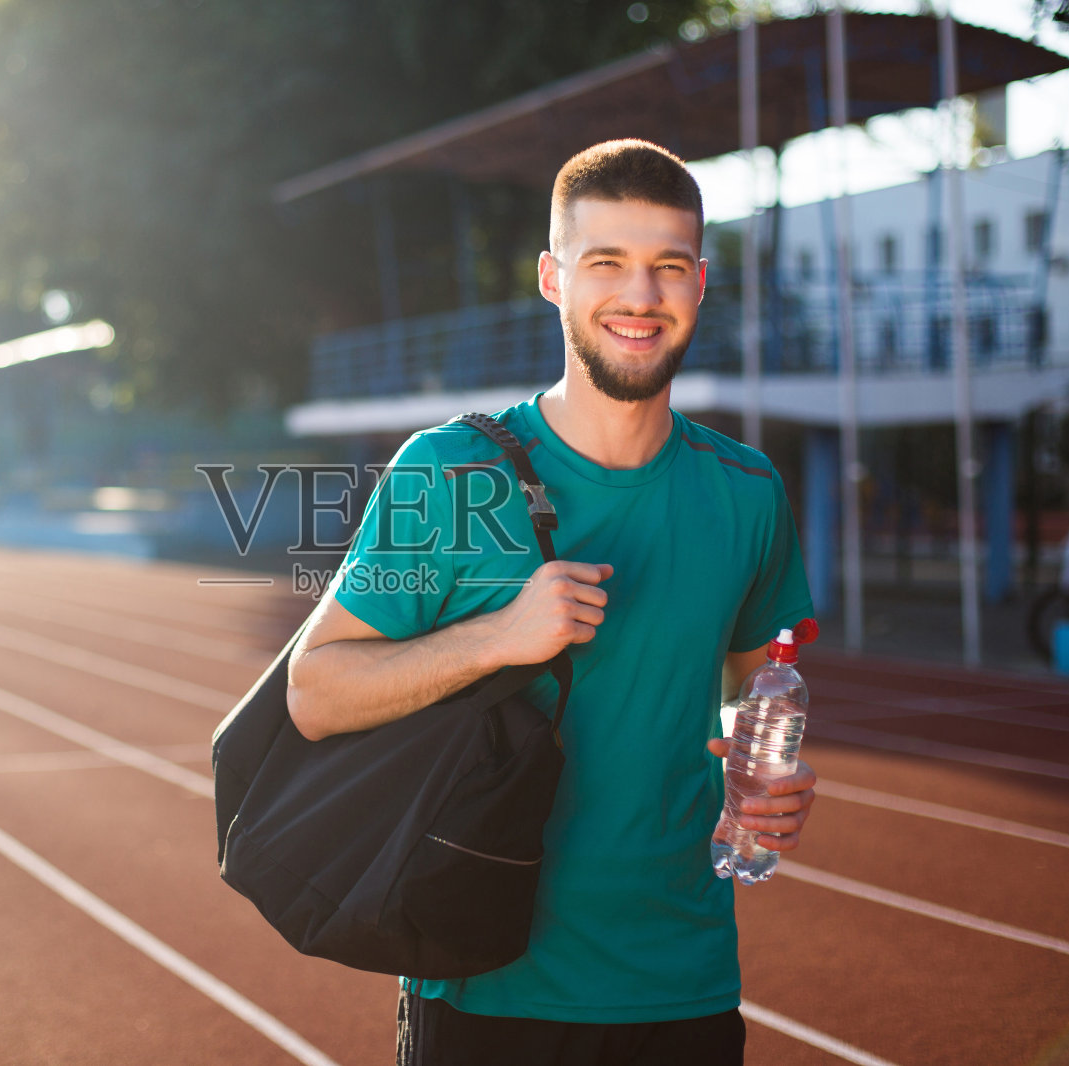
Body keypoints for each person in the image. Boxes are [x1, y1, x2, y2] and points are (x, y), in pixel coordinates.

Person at [285, 138, 817, 1066]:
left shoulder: (747, 491)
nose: (640, 297)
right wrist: (497, 637)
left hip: (682, 985)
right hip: (488, 983)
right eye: (606, 263)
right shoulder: (450, 472)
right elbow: (315, 692)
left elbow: (748, 681)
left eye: (669, 267)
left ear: (700, 283)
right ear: (552, 279)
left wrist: (756, 770)